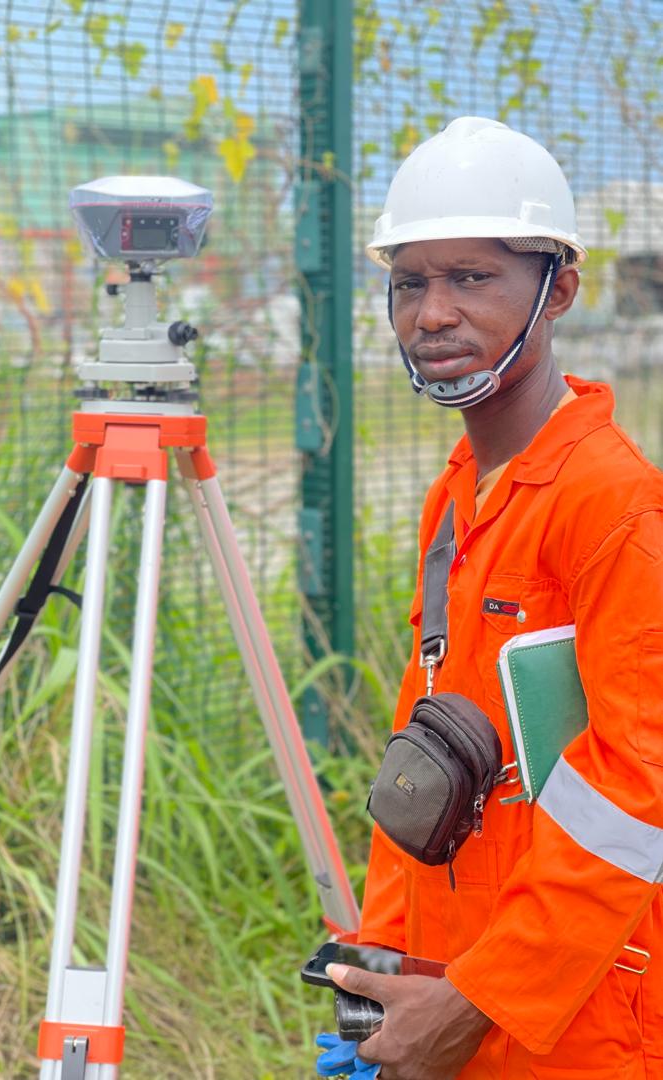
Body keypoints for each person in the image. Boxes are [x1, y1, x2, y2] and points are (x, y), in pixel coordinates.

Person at [317, 116, 663, 1079]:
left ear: (560, 289)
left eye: (472, 277)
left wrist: (478, 1002)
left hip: (579, 1024)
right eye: (410, 283)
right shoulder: (459, 495)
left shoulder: (614, 506)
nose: (433, 313)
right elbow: (426, 749)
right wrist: (381, 966)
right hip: (451, 989)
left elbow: (638, 792)